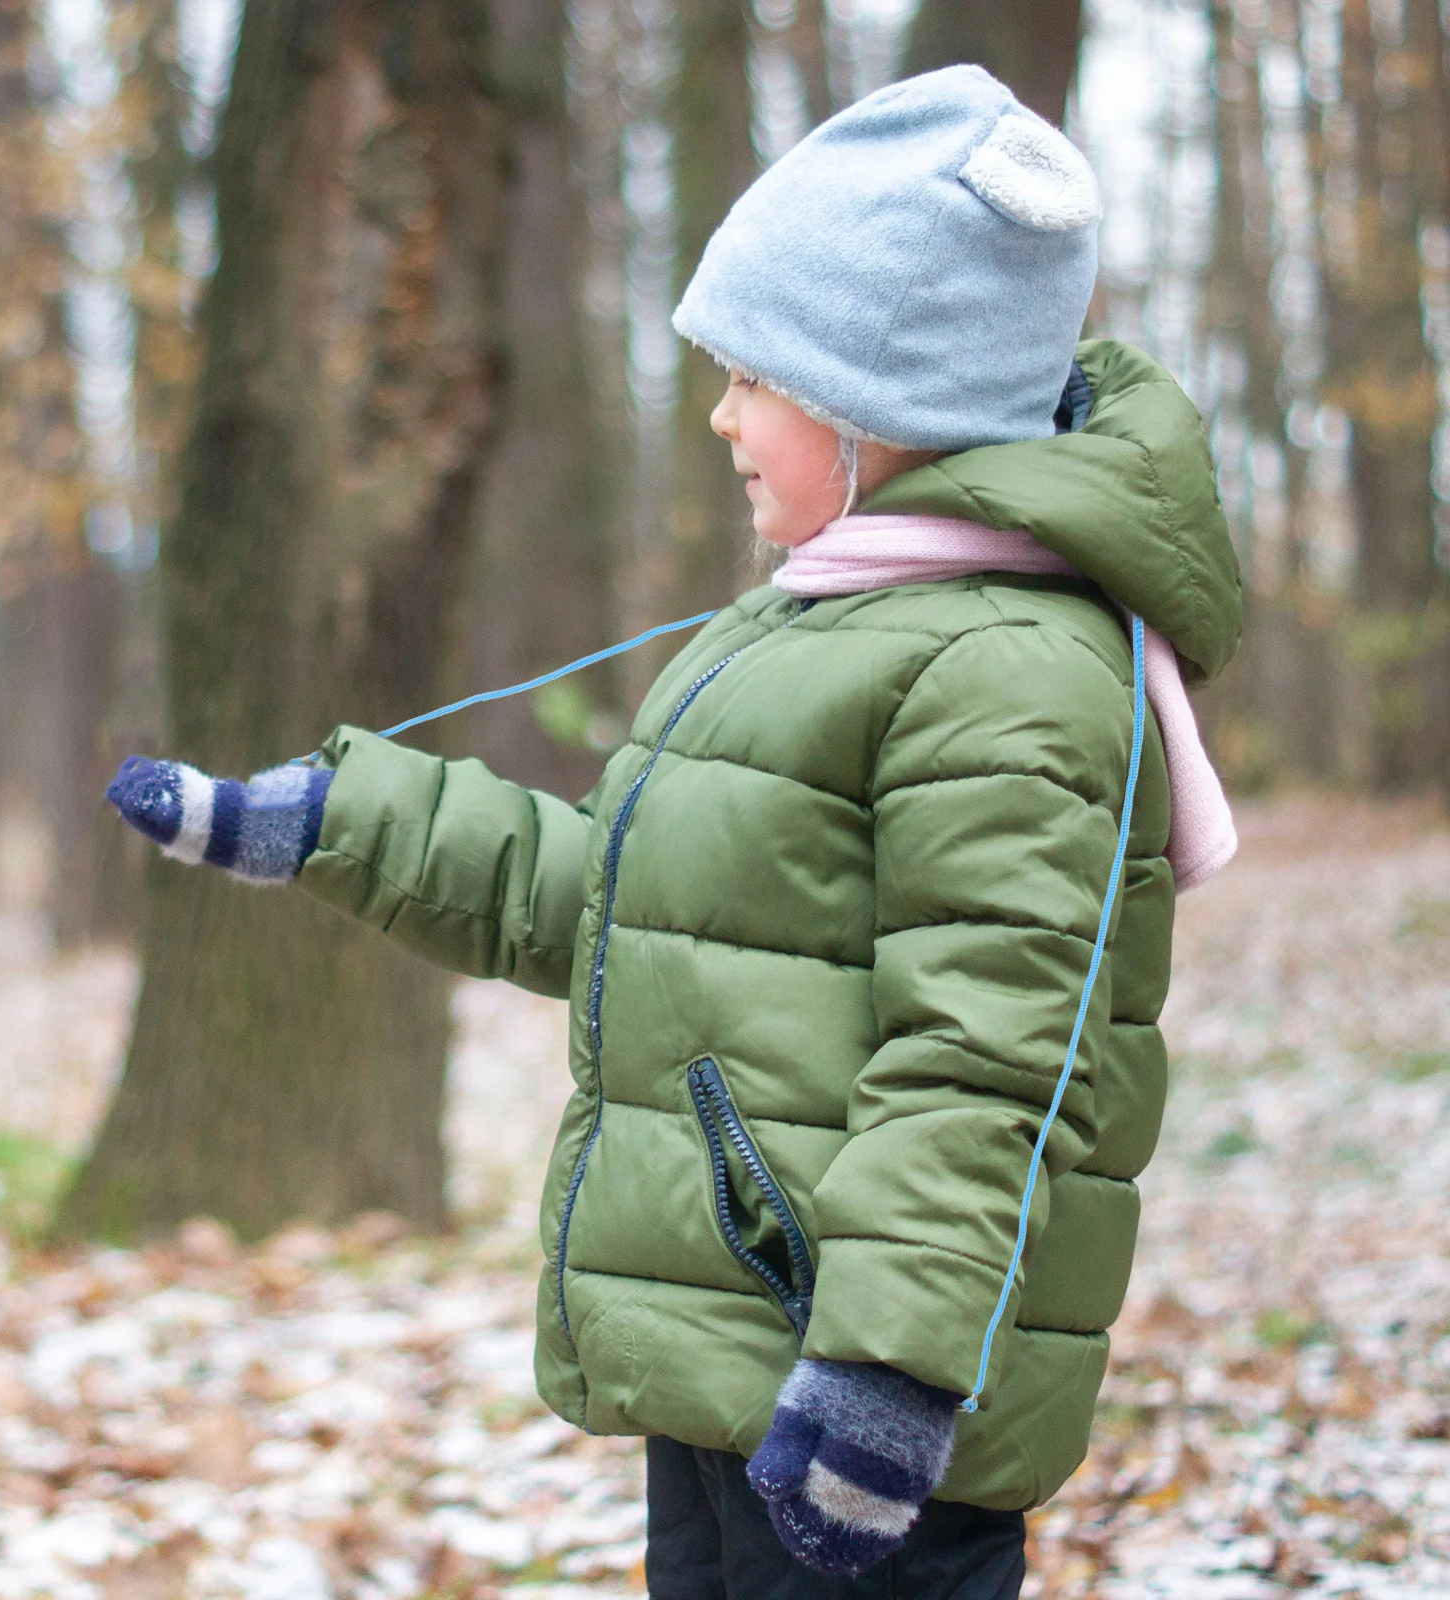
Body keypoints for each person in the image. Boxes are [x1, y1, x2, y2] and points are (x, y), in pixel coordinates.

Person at [108, 65, 1241, 1600]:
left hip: (855, 1394)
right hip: (740, 1354)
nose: (717, 415)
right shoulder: (823, 624)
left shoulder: (1008, 674)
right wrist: (335, 822)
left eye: (752, 376)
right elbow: (633, 902)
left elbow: (986, 1064)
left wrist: (887, 1377)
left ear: (878, 392)